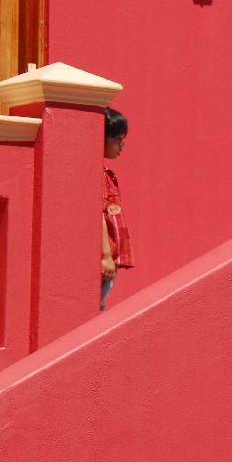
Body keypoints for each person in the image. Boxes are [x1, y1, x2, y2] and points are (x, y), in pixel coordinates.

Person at [101, 107, 134, 310]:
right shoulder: (97, 175)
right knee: (97, 307)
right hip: (105, 260)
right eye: (117, 138)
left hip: (110, 259)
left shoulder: (106, 174)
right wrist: (105, 256)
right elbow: (97, 215)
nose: (122, 144)